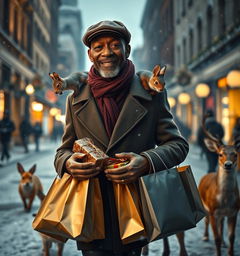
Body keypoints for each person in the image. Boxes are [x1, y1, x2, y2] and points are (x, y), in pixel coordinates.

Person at [52, 20, 189, 256]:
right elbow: (63, 149)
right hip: (91, 210)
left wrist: (146, 161)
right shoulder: (75, 98)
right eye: (99, 47)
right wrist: (67, 163)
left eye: (115, 45)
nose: (107, 53)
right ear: (90, 54)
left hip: (133, 210)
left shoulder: (151, 93)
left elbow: (177, 145)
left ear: (127, 50)